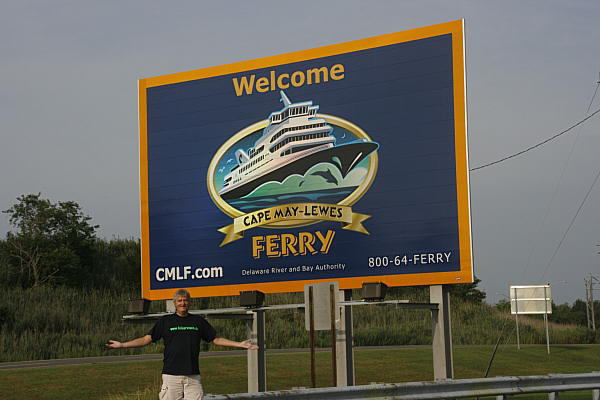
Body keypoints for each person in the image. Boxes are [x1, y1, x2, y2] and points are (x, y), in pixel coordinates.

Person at [106, 289, 258, 400]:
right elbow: (146, 339)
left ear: (189, 302)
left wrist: (239, 344)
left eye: (185, 300)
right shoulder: (165, 321)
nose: (183, 303)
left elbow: (215, 339)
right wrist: (122, 345)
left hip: (193, 376)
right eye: (179, 300)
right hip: (171, 376)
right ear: (174, 303)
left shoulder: (198, 321)